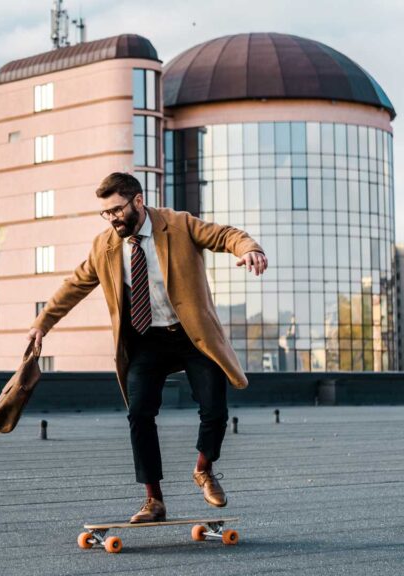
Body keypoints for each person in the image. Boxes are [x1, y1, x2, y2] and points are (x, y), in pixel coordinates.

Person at [27, 172, 267, 523]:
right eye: (106, 213)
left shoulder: (178, 225)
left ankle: (204, 469)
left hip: (191, 335)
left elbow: (225, 235)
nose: (112, 219)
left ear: (138, 201)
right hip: (145, 339)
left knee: (214, 408)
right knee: (139, 414)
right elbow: (74, 285)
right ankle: (154, 499)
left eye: (117, 210)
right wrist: (42, 323)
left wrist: (249, 249)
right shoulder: (105, 246)